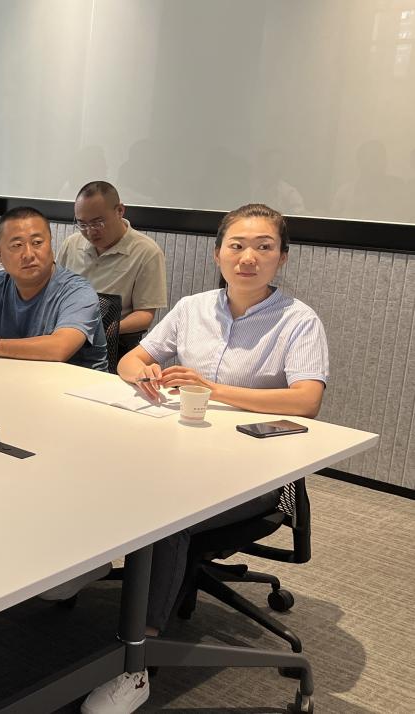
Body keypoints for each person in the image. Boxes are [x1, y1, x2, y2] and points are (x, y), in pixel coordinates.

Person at [83, 204, 328, 714]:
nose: (248, 257)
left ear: (282, 257)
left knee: (170, 514)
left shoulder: (297, 320)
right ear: (218, 254)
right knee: (94, 471)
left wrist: (214, 389)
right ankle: (73, 574)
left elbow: (307, 400)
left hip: (258, 473)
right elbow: (132, 357)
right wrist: (143, 374)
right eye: (236, 245)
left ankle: (137, 662)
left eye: (263, 247)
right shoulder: (193, 308)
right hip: (180, 448)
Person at [0, 206, 108, 370]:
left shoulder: (77, 292)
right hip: (16, 378)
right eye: (17, 246)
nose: (29, 254)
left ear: (51, 244)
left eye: (37, 242)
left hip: (75, 387)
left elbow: (60, 347)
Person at [56, 181, 167, 356]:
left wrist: (107, 328)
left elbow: (144, 315)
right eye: (82, 224)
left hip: (113, 344)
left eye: (98, 223)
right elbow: (54, 291)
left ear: (120, 211)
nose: (90, 232)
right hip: (65, 334)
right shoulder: (72, 244)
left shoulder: (146, 252)